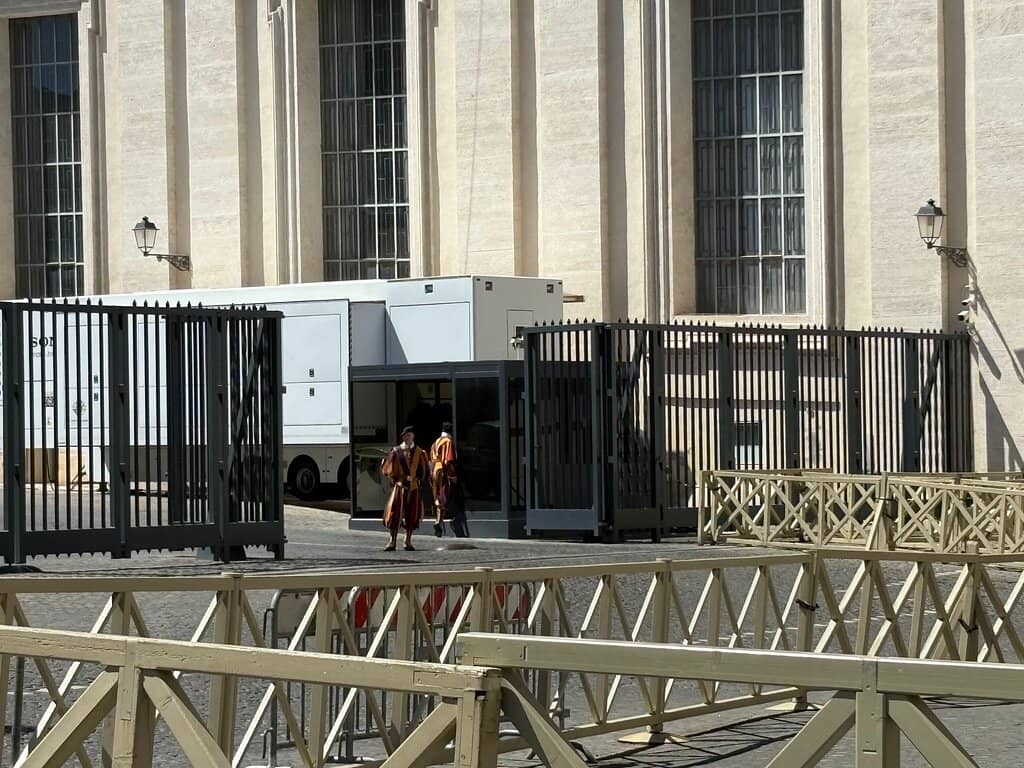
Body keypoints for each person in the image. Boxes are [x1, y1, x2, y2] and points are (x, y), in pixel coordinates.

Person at [380, 426, 428, 551]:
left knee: (412, 514)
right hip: (400, 487)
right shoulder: (396, 451)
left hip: (413, 488)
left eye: (409, 435)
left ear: (413, 436)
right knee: (394, 513)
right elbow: (388, 470)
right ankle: (392, 541)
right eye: (405, 436)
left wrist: (416, 478)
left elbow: (423, 471)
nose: (407, 437)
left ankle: (408, 541)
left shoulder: (420, 452)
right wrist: (396, 480)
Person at [429, 422, 458, 537]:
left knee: (437, 496)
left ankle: (438, 521)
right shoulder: (448, 441)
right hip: (442, 472)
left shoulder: (435, 442)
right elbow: (449, 460)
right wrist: (453, 475)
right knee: (443, 496)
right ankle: (438, 522)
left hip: (433, 470)